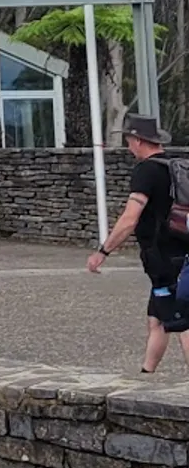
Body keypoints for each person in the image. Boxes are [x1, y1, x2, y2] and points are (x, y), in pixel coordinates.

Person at [87, 113, 189, 373]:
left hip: (164, 259)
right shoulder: (177, 165)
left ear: (139, 140)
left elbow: (129, 219)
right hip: (182, 252)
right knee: (157, 320)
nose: (128, 145)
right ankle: (146, 373)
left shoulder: (147, 170)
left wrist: (103, 251)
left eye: (129, 139)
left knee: (182, 322)